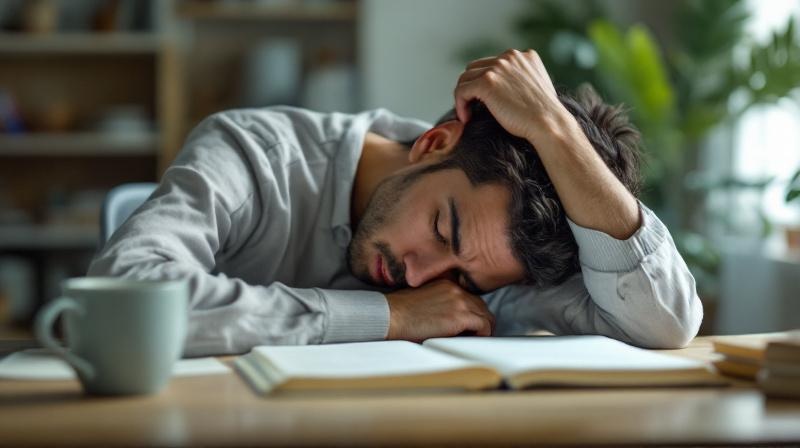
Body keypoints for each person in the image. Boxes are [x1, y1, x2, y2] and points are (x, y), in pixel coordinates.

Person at [88, 50, 702, 356]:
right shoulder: (255, 152)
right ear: (433, 144)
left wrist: (555, 130)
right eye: (441, 229)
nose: (421, 278)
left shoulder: (494, 263)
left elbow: (664, 322)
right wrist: (391, 319)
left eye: (462, 277)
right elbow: (128, 293)